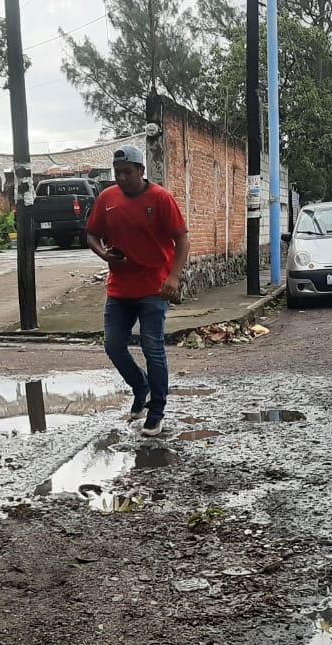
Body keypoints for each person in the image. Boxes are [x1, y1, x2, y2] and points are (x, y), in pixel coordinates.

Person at [85, 145, 190, 437]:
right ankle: (140, 386)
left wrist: (174, 277)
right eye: (117, 173)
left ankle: (156, 412)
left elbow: (182, 239)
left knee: (152, 347)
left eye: (127, 173)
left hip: (154, 288)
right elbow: (92, 234)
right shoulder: (107, 198)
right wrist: (103, 254)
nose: (121, 178)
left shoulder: (160, 198)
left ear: (141, 171)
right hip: (120, 289)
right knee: (113, 345)